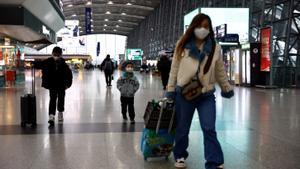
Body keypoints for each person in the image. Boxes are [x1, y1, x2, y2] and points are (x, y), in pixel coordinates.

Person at [165, 13, 234, 169]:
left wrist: (226, 88)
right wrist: (170, 90)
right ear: (193, 27)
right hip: (184, 94)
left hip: (206, 94)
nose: (203, 29)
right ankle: (180, 155)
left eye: (206, 27)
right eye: (200, 26)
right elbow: (174, 69)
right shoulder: (182, 44)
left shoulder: (215, 47)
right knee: (182, 128)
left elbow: (219, 70)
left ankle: (214, 160)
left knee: (209, 128)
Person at [34, 47, 73, 126]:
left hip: (61, 85)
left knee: (61, 99)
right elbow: (40, 64)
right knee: (53, 99)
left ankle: (60, 112)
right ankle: (51, 116)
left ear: (61, 55)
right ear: (52, 54)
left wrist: (68, 85)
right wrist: (33, 64)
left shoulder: (63, 64)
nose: (56, 56)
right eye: (55, 54)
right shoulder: (48, 61)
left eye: (57, 54)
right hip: (52, 85)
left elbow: (69, 75)